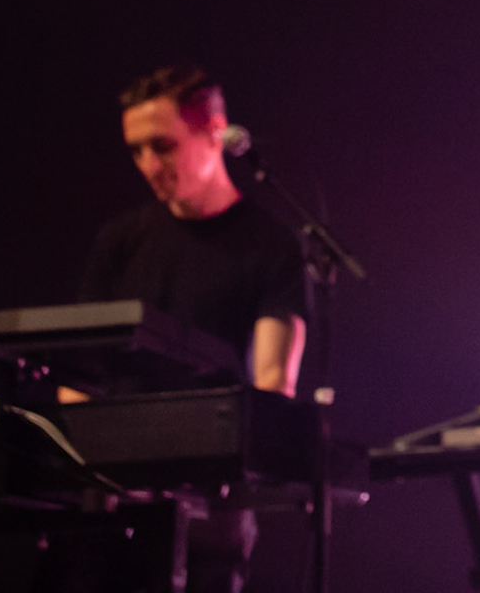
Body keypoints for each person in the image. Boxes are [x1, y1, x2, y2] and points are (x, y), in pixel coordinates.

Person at [76, 65, 308, 593]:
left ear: (216, 132)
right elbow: (81, 370)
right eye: (136, 151)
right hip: (116, 489)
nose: (149, 165)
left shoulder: (271, 244)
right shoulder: (120, 240)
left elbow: (273, 379)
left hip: (214, 494)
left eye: (162, 146)